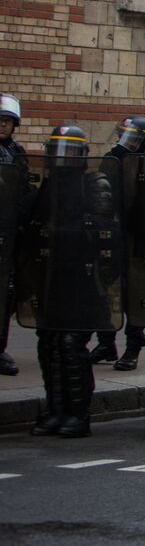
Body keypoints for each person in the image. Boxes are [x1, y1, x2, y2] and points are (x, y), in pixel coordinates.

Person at [26, 126, 117, 437]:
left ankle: (78, 413)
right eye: (58, 151)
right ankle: (55, 409)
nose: (62, 159)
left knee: (70, 344)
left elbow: (106, 233)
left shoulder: (94, 183)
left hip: (83, 280)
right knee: (49, 343)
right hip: (52, 279)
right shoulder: (47, 187)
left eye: (69, 152)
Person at [92, 116, 145, 371]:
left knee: (134, 294)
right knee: (103, 288)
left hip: (137, 237)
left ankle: (133, 346)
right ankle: (106, 341)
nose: (124, 141)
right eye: (123, 136)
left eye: (130, 138)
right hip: (112, 232)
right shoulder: (113, 159)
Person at [0, 93, 27, 377]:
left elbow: (24, 189)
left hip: (9, 233)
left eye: (7, 121)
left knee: (8, 293)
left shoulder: (17, 154)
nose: (2, 125)